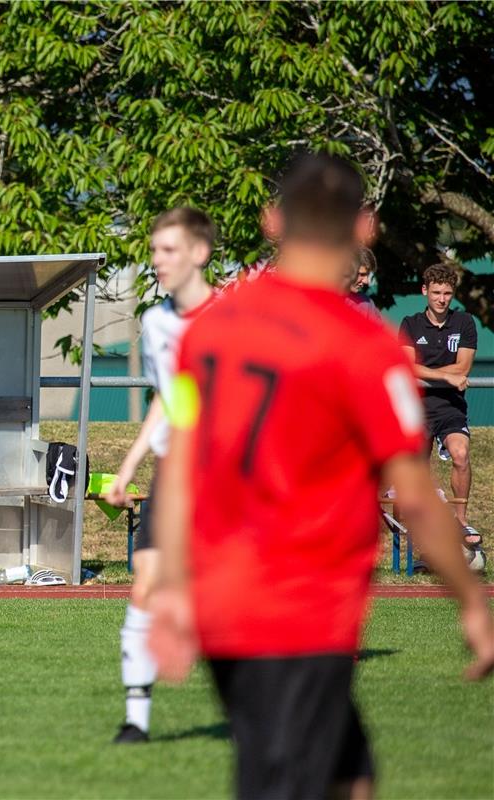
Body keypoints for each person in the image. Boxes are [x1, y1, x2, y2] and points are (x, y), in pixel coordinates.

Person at [149, 153, 494, 799]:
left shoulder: (208, 332)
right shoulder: (363, 345)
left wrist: (169, 583)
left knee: (351, 776)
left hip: (222, 598)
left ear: (272, 220)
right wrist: (472, 600)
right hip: (299, 609)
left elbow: (181, 463)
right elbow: (415, 494)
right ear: (364, 228)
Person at [102, 208, 217, 744]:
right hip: (175, 474)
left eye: (169, 250)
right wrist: (129, 466)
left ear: (200, 253)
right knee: (144, 585)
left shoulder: (234, 321)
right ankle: (136, 722)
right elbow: (168, 401)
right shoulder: (155, 322)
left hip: (225, 476)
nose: (158, 261)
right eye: (153, 252)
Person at [399, 264, 479, 551]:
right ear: (425, 292)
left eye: (447, 293)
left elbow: (464, 366)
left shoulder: (464, 322)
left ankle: (460, 520)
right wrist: (445, 375)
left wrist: (431, 370)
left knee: (461, 454)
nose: (442, 299)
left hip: (450, 408)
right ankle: (421, 530)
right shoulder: (410, 323)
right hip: (416, 408)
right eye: (436, 293)